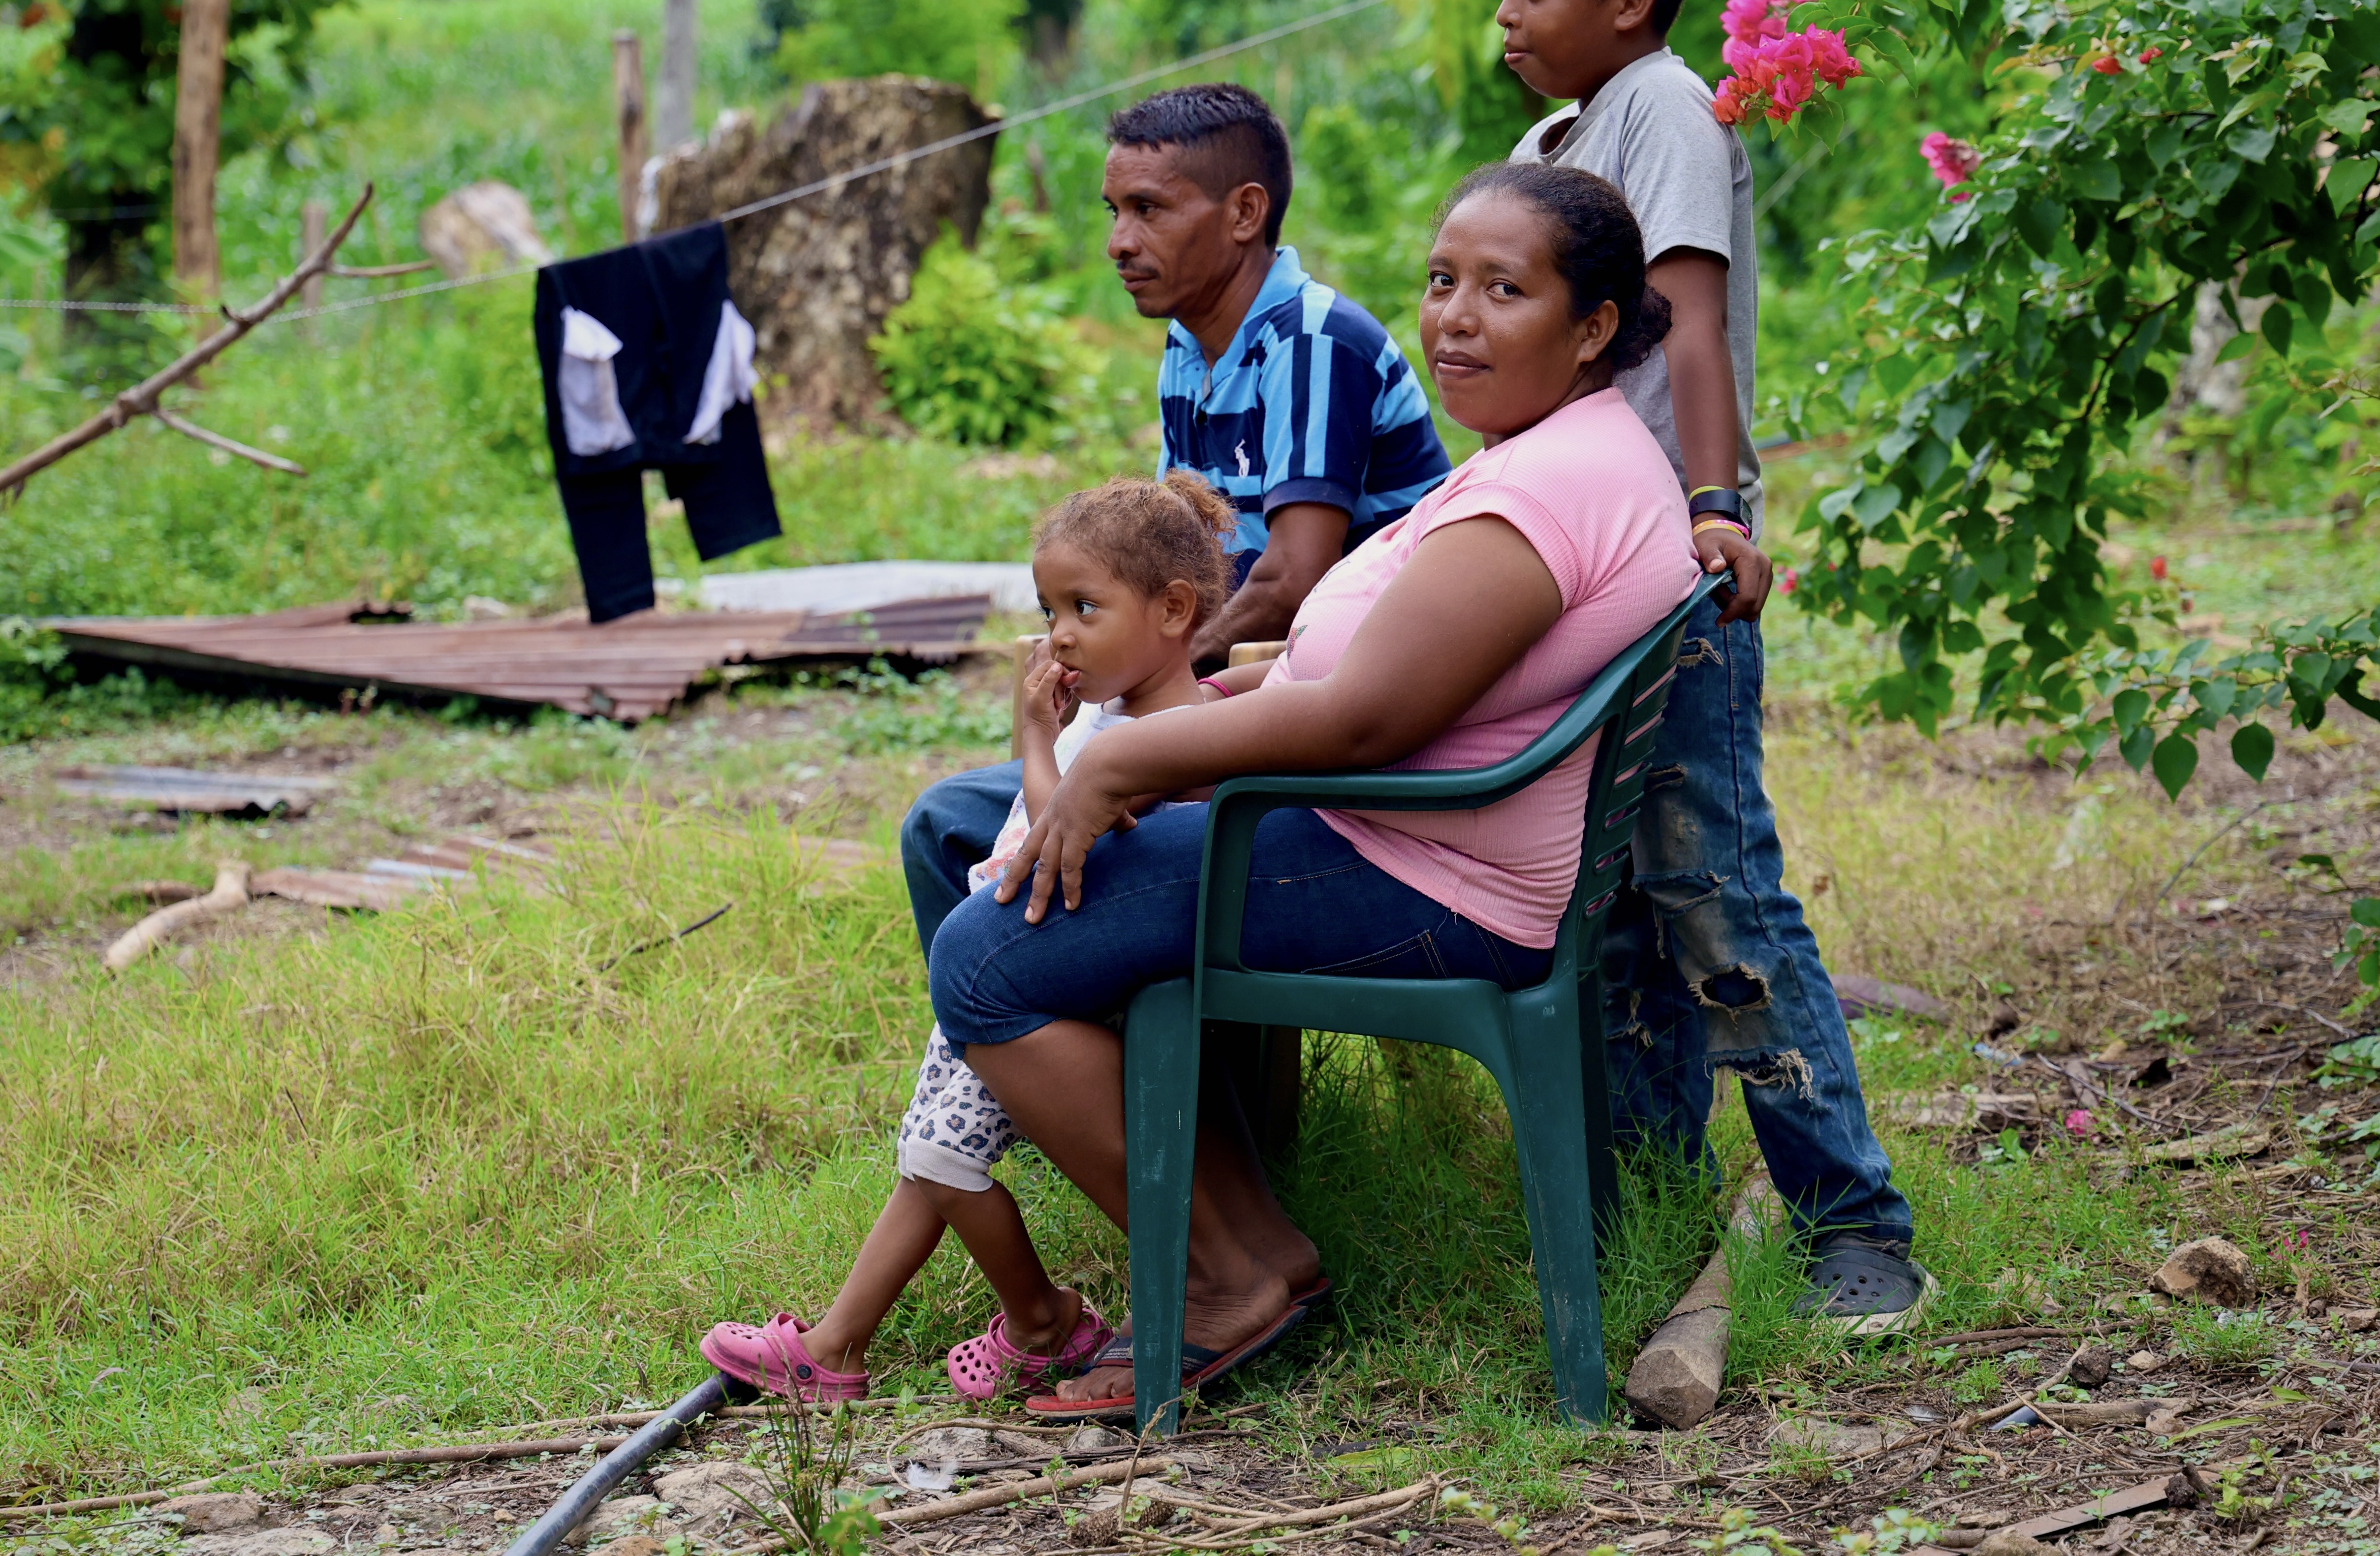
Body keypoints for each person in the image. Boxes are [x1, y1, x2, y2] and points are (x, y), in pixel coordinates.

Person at [928, 162, 1697, 1418]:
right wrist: (1196, 709)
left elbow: (1366, 717)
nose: (1453, 316)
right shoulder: (1558, 450)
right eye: (1443, 280)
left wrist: (1124, 756)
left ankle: (1229, 1269)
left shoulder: (1545, 491)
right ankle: (1202, 1211)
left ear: (1594, 324)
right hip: (1399, 822)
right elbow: (1381, 676)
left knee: (982, 958)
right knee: (964, 827)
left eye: (1505, 289)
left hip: (1425, 870)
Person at [1495, 0, 1925, 1328]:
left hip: (1675, 573)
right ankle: (1654, 1214)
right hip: (1593, 576)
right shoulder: (1574, 133)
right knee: (1614, 906)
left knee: (1719, 894)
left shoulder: (1664, 111)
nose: (1506, 16)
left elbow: (1690, 325)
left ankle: (1858, 1227)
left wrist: (1715, 507)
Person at [695, 475, 1239, 1403]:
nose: (1058, 633)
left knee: (940, 1160)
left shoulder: (1174, 733)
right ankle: (856, 1345)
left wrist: (1034, 737)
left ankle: (1037, 1323)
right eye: (1049, 609)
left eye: (1085, 607)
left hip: (1042, 980)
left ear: (1174, 610)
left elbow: (1063, 845)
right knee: (929, 1157)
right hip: (1009, 962)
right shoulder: (1116, 719)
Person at [897, 83, 1452, 960]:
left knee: (1012, 823)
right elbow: (1168, 558)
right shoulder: (1192, 347)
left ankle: (1089, 1047)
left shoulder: (1311, 344)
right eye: (1115, 211)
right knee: (948, 827)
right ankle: (1036, 1056)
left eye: (1149, 210)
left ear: (1244, 212)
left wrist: (1143, 686)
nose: (1120, 242)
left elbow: (1291, 578)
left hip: (1319, 716)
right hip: (1227, 694)